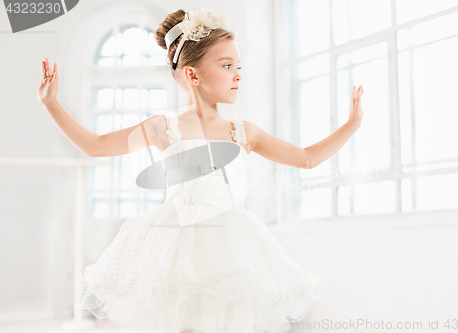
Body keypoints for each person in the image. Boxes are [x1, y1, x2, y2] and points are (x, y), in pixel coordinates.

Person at [38, 7, 364, 333]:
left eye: (238, 67)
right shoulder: (163, 127)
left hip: (231, 246)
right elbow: (96, 145)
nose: (237, 74)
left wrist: (352, 124)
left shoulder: (244, 132)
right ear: (193, 75)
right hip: (174, 246)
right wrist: (51, 104)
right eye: (226, 66)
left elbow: (305, 158)